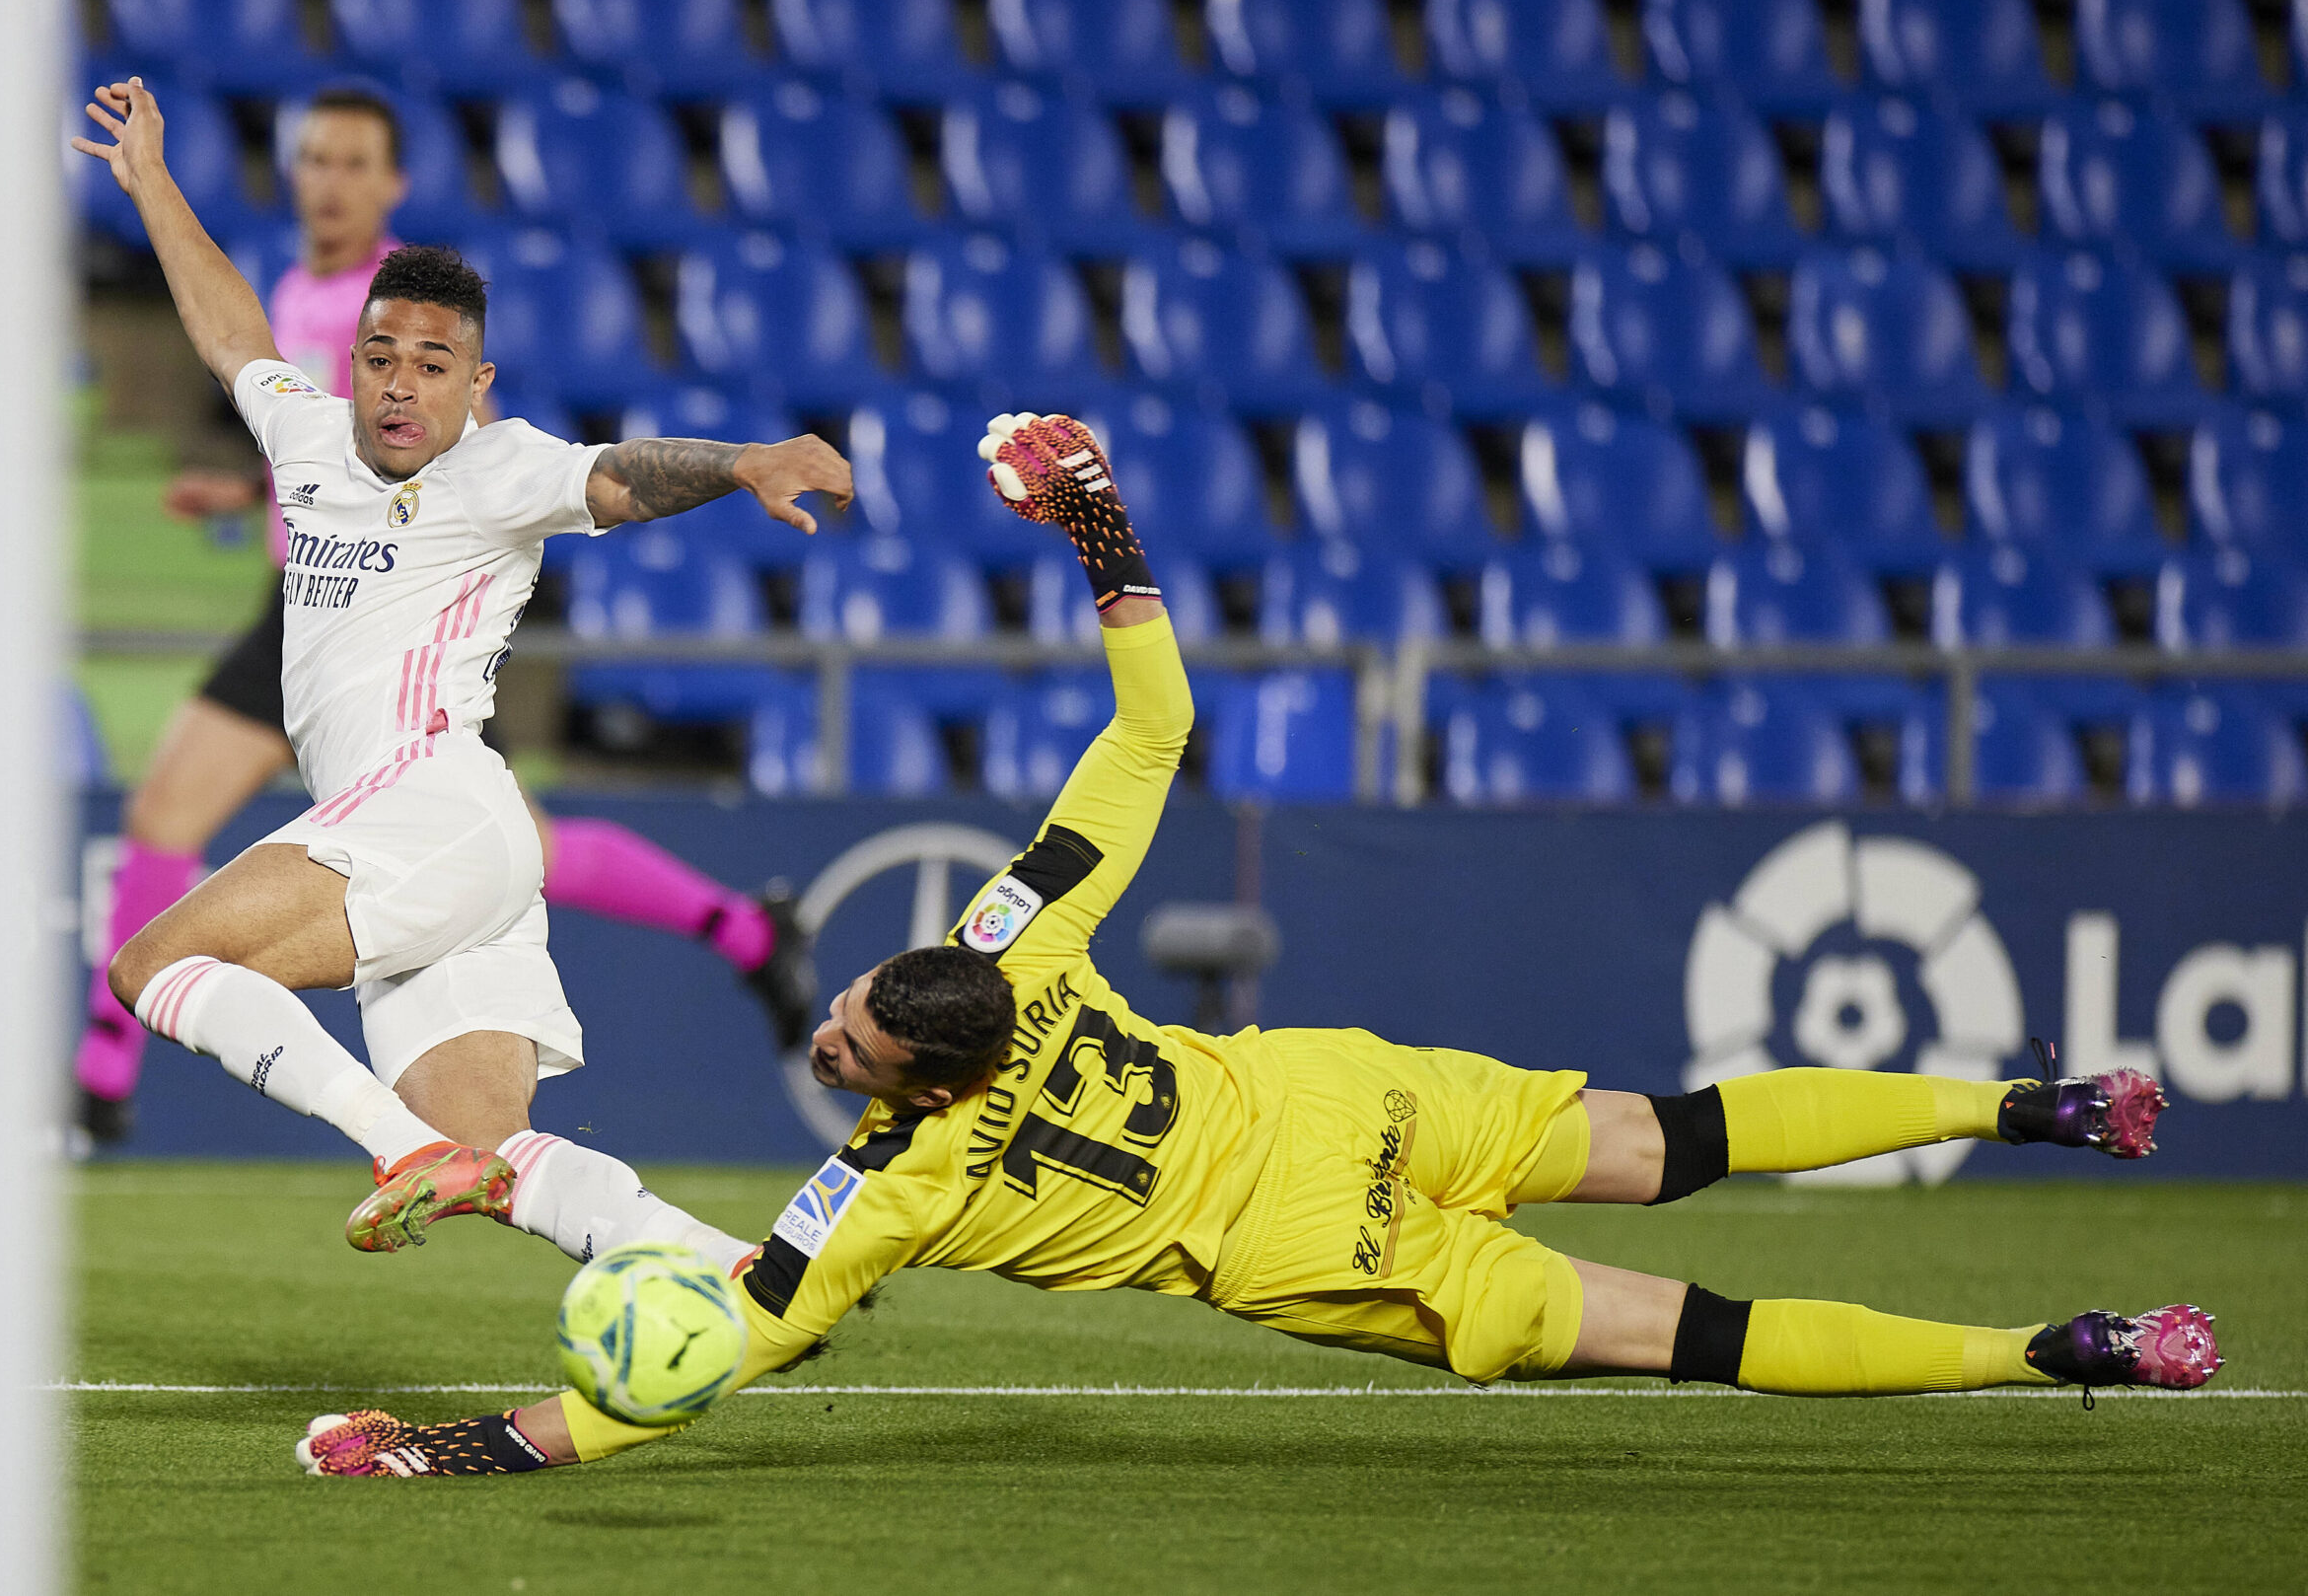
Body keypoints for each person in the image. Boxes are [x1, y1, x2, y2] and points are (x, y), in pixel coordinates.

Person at [293, 412, 2222, 1480]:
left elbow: (716, 1349)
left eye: (858, 1031)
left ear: (906, 1073)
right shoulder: (1022, 932)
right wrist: (1101, 520)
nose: (838, 1026)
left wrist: (463, 1446)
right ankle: (2040, 1099)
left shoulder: (887, 1184)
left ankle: (2050, 1343)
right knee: (1675, 1128)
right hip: (1338, 1088)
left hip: (1310, 1236)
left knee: (1678, 1328)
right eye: (858, 1006)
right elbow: (1148, 734)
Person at [73, 76, 851, 1270]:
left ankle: (394, 1148)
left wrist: (743, 460)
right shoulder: (307, 434)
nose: (399, 380)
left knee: (155, 963)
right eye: (379, 355)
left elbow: (622, 476)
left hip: (428, 811)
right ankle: (757, 1281)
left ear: (475, 387)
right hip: (453, 854)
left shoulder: (500, 470)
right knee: (497, 1151)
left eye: (434, 364)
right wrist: (155, 184)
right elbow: (231, 333)